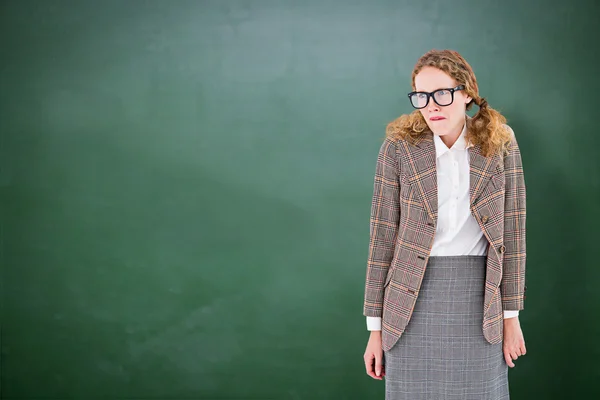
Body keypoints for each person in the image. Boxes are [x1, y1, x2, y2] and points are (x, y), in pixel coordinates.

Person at [362, 49, 527, 400]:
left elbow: (513, 232)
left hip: (481, 304)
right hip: (407, 305)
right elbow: (381, 240)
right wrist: (374, 329)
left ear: (466, 93)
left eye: (442, 94)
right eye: (421, 96)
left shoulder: (501, 143)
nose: (431, 105)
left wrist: (511, 316)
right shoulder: (399, 148)